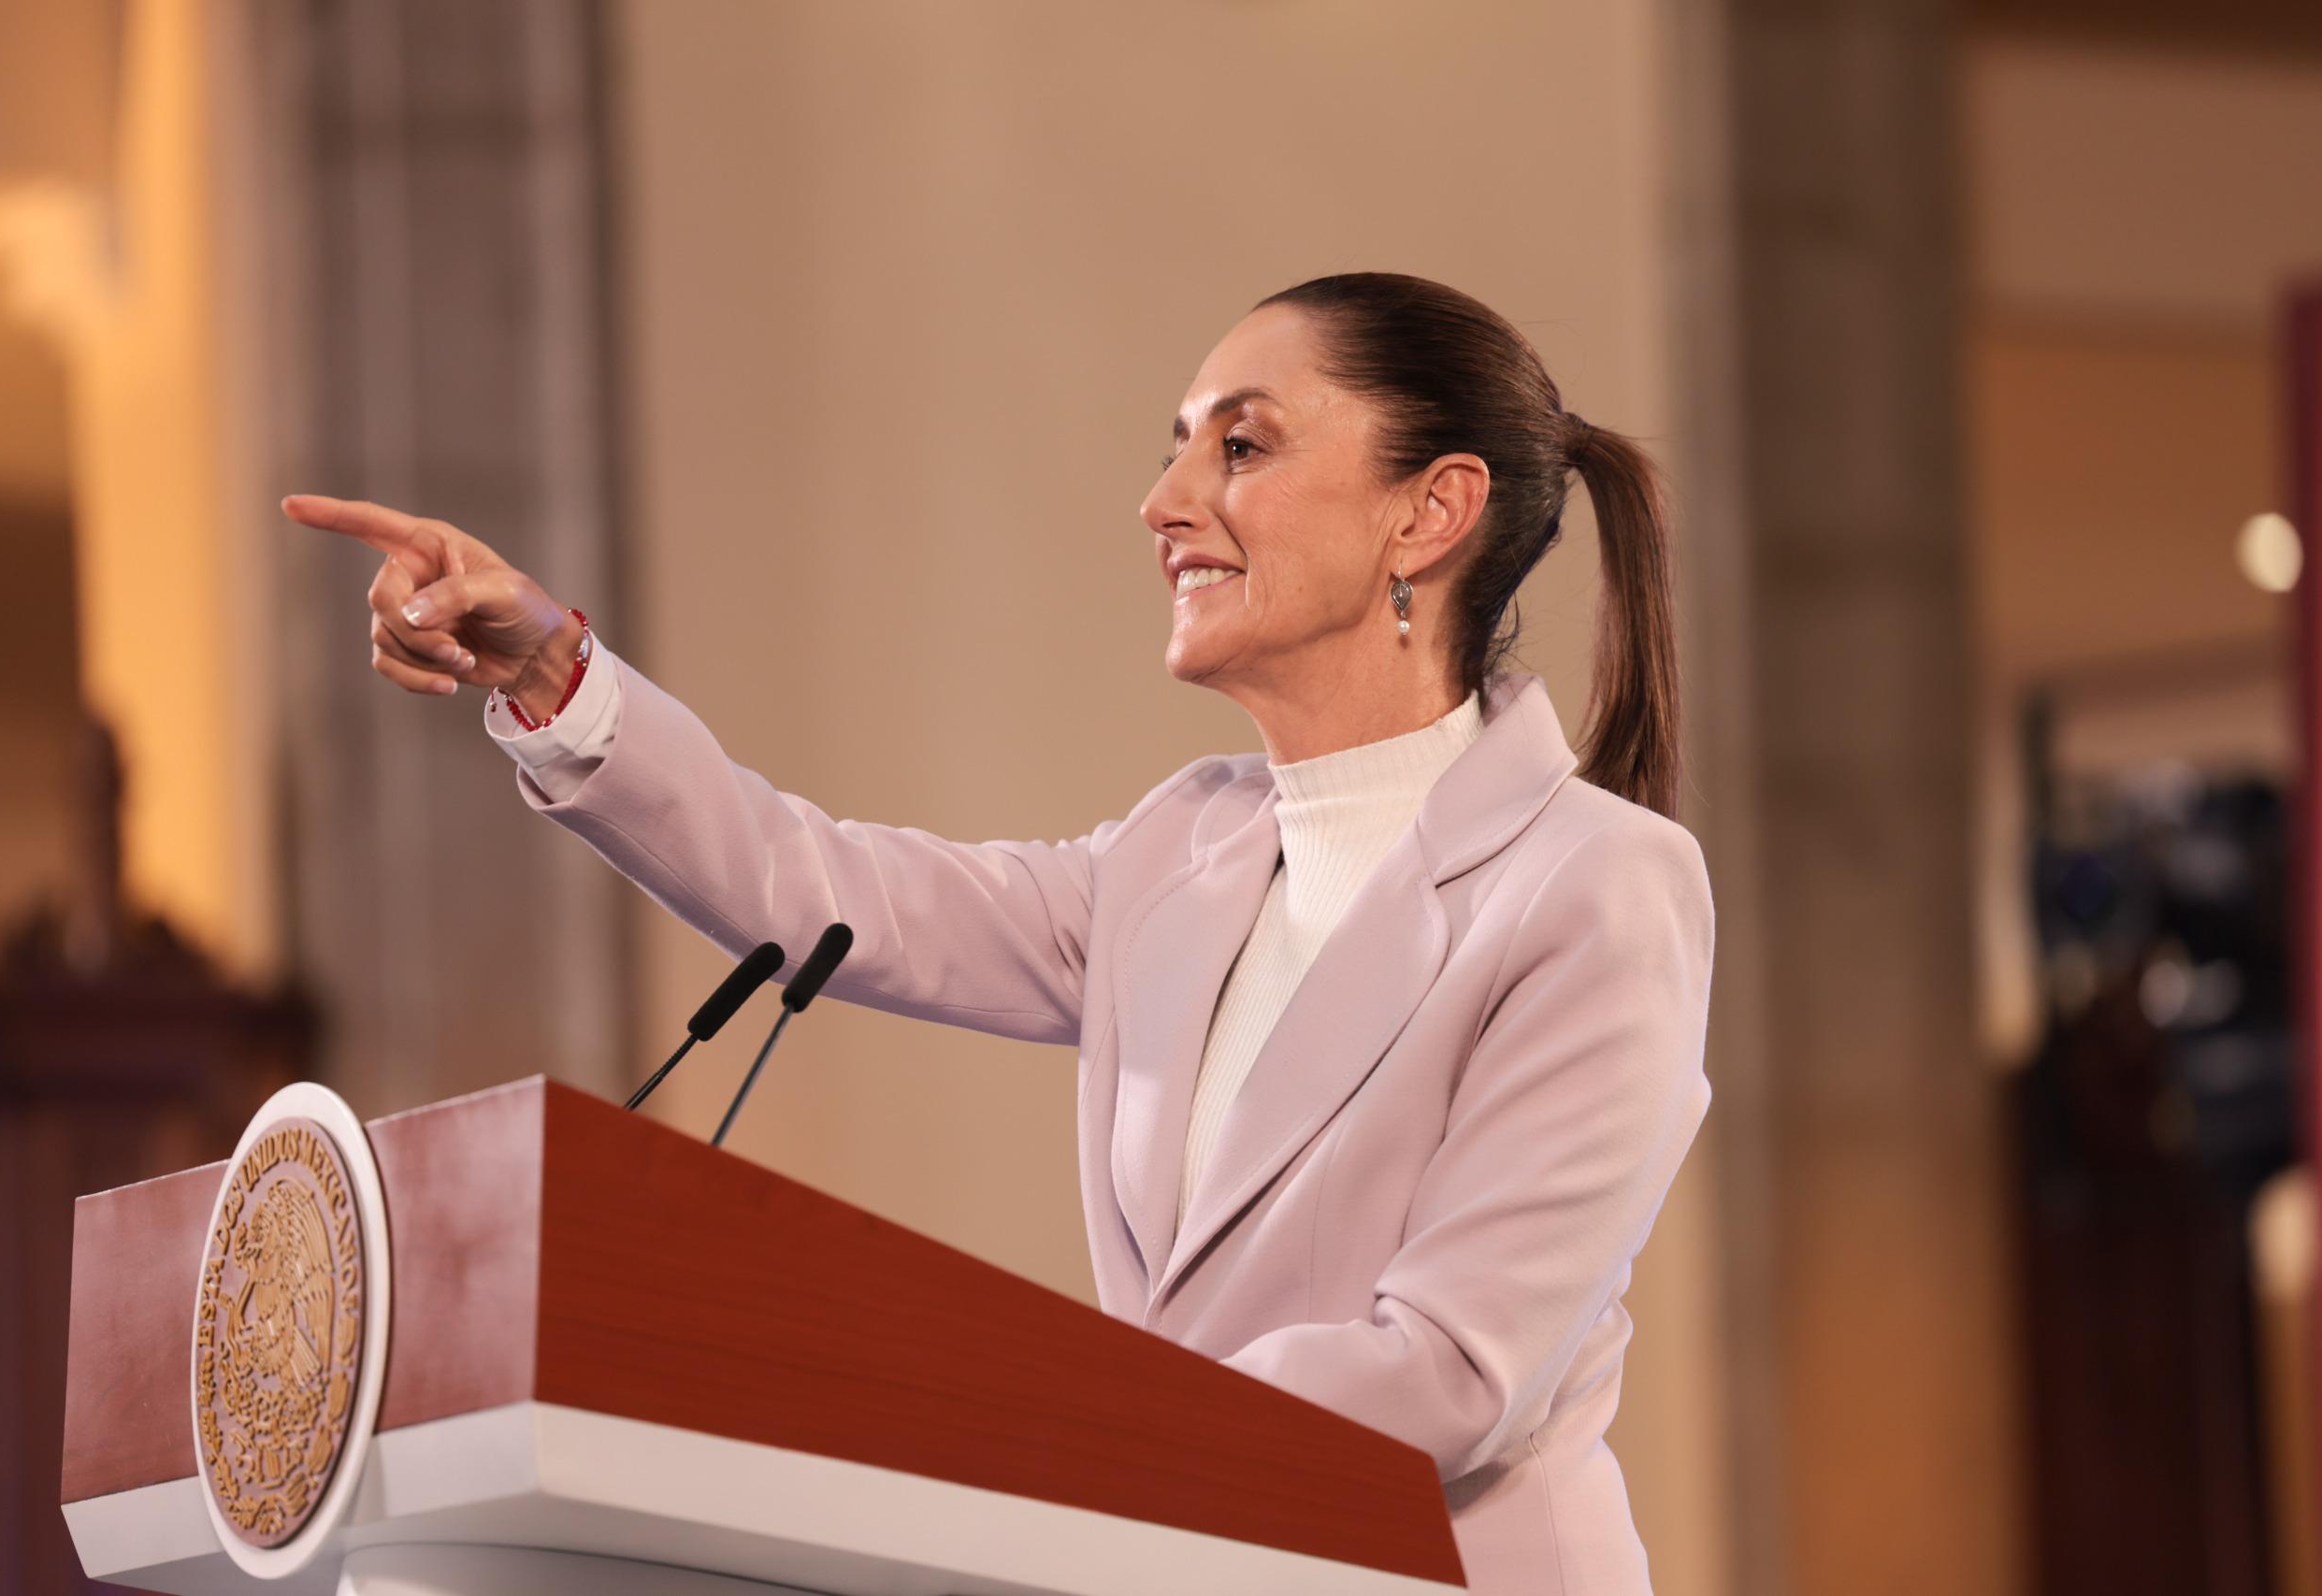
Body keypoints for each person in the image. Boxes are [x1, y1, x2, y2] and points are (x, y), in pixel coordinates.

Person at [282, 270, 1716, 1594]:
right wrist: (555, 676)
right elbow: (818, 895)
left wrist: (1033, 1434)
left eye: (1241, 446)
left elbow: (1457, 1370)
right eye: (1175, 445)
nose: (1163, 500)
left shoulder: (1595, 885)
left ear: (1430, 511)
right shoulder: (1178, 854)